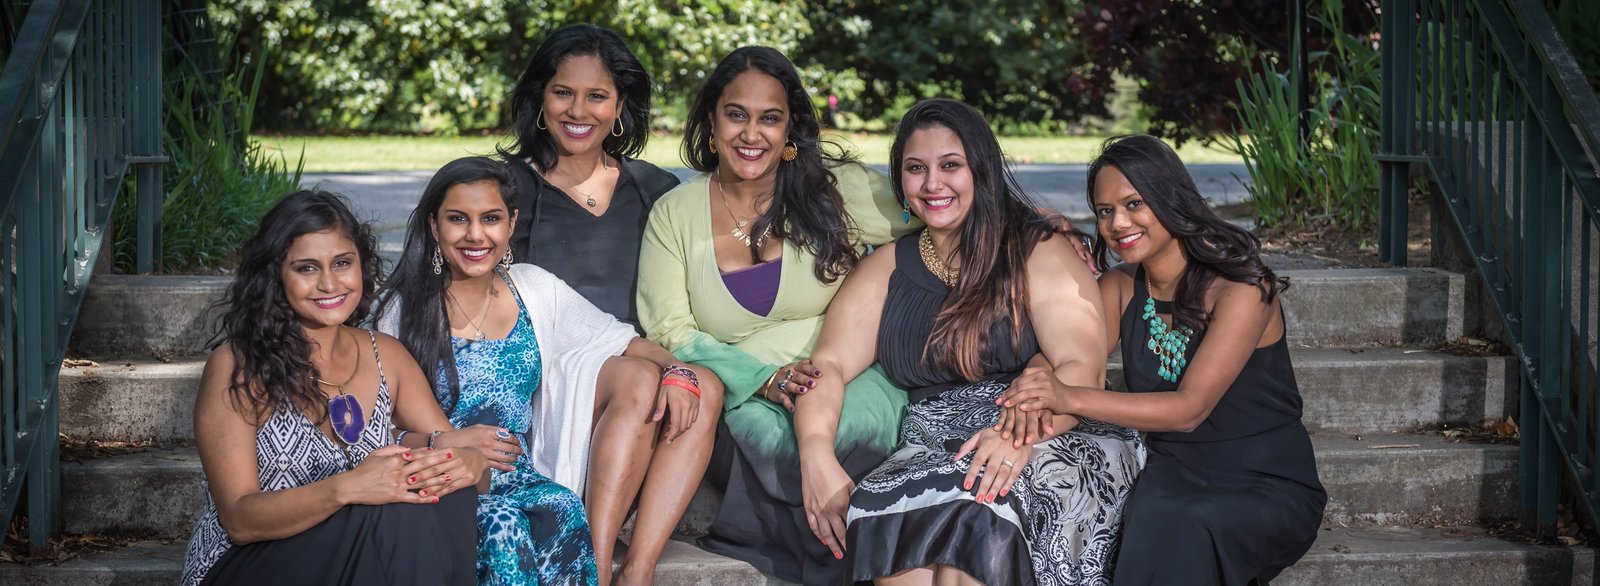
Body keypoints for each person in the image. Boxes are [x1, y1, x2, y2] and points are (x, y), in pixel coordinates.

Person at [795, 99, 1143, 586]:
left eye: (950, 166)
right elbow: (827, 367)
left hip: (1047, 429)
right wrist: (815, 455)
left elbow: (1080, 365)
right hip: (933, 445)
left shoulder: (1036, 249)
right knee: (890, 522)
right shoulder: (885, 269)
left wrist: (1018, 436)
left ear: (981, 171)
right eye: (916, 168)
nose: (932, 184)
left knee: (976, 517)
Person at [636, 46, 920, 584]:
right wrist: (764, 379)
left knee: (848, 442)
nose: (752, 134)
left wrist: (1031, 222)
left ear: (790, 128)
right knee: (765, 445)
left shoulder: (836, 189)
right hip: (744, 394)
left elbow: (939, 204)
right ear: (711, 120)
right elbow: (670, 330)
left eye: (770, 118)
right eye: (736, 114)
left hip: (847, 376)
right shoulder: (674, 214)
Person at [377, 156, 720, 585]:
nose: (475, 234)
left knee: (561, 505)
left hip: (516, 476)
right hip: (440, 474)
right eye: (458, 219)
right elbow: (373, 429)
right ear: (434, 225)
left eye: (491, 219)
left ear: (511, 223)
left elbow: (620, 339)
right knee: (503, 525)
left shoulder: (532, 288)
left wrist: (677, 371)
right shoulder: (402, 309)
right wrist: (442, 441)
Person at [1001, 134, 1327, 585]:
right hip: (1170, 470)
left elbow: (1188, 410)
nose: (1118, 223)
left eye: (1134, 203)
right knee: (1147, 518)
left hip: (1264, 478)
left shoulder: (1242, 289)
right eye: (1104, 211)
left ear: (1170, 198)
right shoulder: (1120, 287)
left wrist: (1066, 396)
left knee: (1183, 525)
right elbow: (1065, 353)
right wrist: (1032, 386)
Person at [180, 190, 486, 586]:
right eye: (306, 268)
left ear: (362, 265)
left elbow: (456, 463)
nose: (328, 283)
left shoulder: (385, 355)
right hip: (248, 561)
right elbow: (240, 520)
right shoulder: (238, 366)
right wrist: (349, 488)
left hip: (361, 556)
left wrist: (470, 463)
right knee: (396, 511)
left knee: (446, 492)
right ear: (275, 276)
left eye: (342, 263)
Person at [500, 23, 680, 333]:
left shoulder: (657, 189)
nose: (578, 111)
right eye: (563, 93)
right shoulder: (502, 190)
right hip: (549, 359)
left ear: (618, 105)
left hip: (650, 356)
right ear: (541, 97)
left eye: (596, 96)